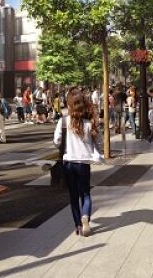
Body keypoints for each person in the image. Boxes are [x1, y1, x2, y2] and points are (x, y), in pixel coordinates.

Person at [54, 88, 103, 237]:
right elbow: (98, 142)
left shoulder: (63, 121)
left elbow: (56, 141)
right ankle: (86, 217)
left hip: (68, 162)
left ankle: (77, 226)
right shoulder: (89, 123)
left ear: (69, 104)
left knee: (73, 196)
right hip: (83, 163)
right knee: (86, 194)